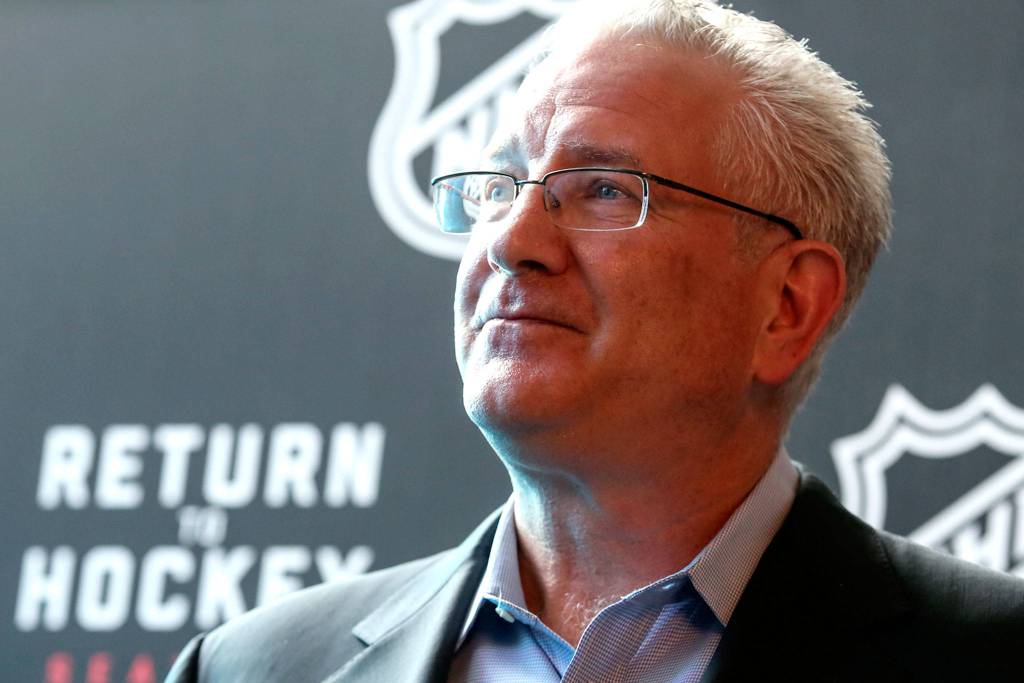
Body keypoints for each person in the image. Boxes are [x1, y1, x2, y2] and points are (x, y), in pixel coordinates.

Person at [167, 1, 1024, 681]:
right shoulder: (251, 667)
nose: (511, 238)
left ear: (787, 305)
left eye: (606, 190)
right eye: (500, 186)